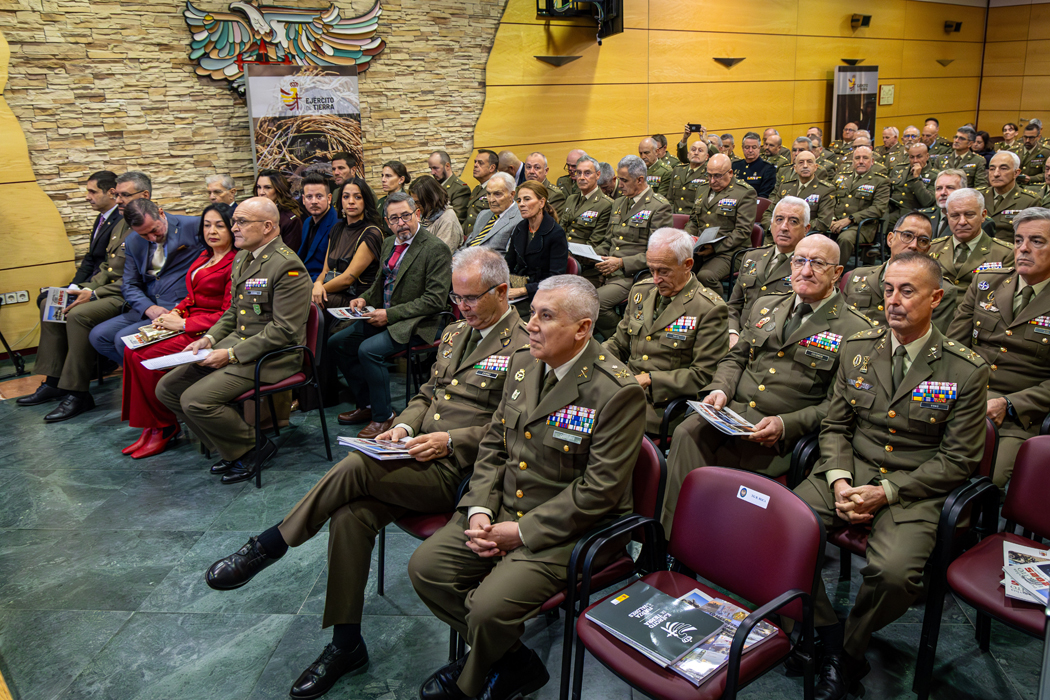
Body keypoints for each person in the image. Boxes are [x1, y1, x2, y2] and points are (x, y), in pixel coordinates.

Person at [201, 247, 529, 700]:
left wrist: (450, 441)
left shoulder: (527, 345)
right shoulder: (455, 332)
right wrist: (402, 425)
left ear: (500, 291)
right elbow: (429, 393)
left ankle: (271, 544)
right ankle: (345, 643)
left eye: (471, 298)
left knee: (356, 465)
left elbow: (510, 427)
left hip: (460, 472)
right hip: (416, 455)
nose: (462, 307)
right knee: (350, 515)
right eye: (456, 299)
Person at [408, 275, 645, 700]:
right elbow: (494, 445)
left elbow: (600, 490)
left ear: (583, 329)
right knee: (427, 570)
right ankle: (515, 661)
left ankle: (470, 683)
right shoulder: (525, 361)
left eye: (546, 316)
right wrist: (479, 506)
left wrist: (520, 532)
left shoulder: (616, 391)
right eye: (533, 312)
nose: (530, 324)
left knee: (486, 608)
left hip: (571, 527)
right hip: (502, 508)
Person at [793, 252, 988, 700]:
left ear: (936, 298)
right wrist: (840, 480)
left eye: (907, 290)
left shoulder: (965, 370)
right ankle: (823, 633)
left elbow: (957, 460)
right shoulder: (859, 348)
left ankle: (847, 650)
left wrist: (886, 491)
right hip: (848, 471)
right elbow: (836, 426)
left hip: (914, 488)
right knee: (778, 529)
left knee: (895, 574)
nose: (893, 301)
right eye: (888, 290)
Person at [662, 236, 876, 530]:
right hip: (732, 415)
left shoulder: (856, 330)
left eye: (818, 264)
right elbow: (734, 359)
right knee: (687, 433)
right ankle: (676, 538)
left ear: (837, 273)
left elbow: (838, 407)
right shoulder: (766, 305)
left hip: (780, 438)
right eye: (800, 261)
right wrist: (720, 389)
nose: (806, 270)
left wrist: (786, 424)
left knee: (731, 486)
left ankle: (725, 545)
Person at [155, 197, 311, 483]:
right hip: (237, 346)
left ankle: (253, 447)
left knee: (195, 400)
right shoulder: (243, 256)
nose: (233, 228)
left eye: (241, 222)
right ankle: (234, 448)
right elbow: (232, 312)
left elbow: (284, 331)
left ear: (267, 227)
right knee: (167, 388)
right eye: (235, 221)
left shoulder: (288, 267)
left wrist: (230, 354)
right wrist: (210, 338)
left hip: (274, 356)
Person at [17, 171, 147, 416]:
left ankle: (78, 393)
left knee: (77, 314)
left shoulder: (142, 224)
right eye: (118, 195)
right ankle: (54, 381)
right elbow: (106, 267)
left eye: (123, 195)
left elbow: (135, 278)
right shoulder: (120, 224)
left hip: (126, 295)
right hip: (106, 288)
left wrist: (93, 293)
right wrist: (82, 288)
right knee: (51, 303)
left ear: (144, 196)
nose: (119, 200)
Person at [330, 192, 453, 437]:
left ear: (417, 214)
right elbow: (380, 282)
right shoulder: (388, 242)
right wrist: (364, 298)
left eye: (406, 216)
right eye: (394, 218)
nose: (401, 223)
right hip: (387, 316)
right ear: (387, 222)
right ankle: (367, 405)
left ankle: (384, 416)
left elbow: (434, 300)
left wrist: (390, 315)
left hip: (419, 323)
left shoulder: (436, 248)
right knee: (338, 343)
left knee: (368, 350)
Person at [120, 203, 237, 459]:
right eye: (207, 225)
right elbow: (191, 298)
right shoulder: (205, 256)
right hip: (188, 322)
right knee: (131, 350)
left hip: (208, 331)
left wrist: (184, 324)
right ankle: (150, 427)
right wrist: (173, 313)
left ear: (232, 228)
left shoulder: (235, 261)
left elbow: (229, 314)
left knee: (143, 358)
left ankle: (164, 427)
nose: (212, 231)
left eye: (219, 225)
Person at [946, 207, 1050, 488]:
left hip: (1018, 414)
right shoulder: (985, 283)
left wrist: (1010, 404)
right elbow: (954, 345)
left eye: (1037, 241)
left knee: (986, 480)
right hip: (965, 395)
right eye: (1018, 240)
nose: (1023, 249)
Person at [603, 227, 729, 432]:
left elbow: (703, 375)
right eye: (651, 269)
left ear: (688, 265)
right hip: (626, 388)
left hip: (662, 405)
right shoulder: (641, 292)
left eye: (663, 271)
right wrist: (596, 358)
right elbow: (618, 343)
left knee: (607, 424)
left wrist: (651, 380)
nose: (655, 279)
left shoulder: (709, 308)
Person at [88, 197, 203, 372]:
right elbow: (129, 283)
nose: (152, 238)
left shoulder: (194, 226)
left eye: (155, 230)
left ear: (161, 213)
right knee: (99, 336)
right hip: (148, 306)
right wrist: (148, 308)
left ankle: (161, 381)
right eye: (144, 235)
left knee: (123, 340)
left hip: (180, 305)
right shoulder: (134, 240)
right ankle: (150, 375)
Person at [594, 155, 673, 338]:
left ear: (640, 180)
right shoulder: (619, 202)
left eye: (624, 180)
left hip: (633, 274)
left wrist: (621, 262)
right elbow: (608, 240)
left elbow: (658, 253)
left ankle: (623, 341)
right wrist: (593, 254)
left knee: (594, 303)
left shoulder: (658, 206)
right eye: (619, 179)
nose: (619, 185)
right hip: (606, 269)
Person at [843, 211, 958, 331]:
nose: (914, 245)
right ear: (890, 239)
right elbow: (842, 326)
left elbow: (930, 342)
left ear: (928, 249)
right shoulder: (858, 276)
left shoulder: (940, 290)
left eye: (923, 240)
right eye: (907, 236)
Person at [729, 197, 810, 345]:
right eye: (779, 219)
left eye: (793, 221)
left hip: (776, 345)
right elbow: (734, 305)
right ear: (771, 224)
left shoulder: (810, 267)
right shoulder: (752, 257)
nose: (784, 227)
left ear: (806, 229)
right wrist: (732, 333)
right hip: (739, 338)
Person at [685, 153, 759, 291]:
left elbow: (742, 231)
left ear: (730, 173)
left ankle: (719, 310)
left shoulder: (744, 193)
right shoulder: (702, 188)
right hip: (701, 249)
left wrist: (715, 248)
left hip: (730, 251)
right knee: (678, 270)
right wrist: (686, 240)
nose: (712, 180)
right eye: (709, 175)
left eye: (717, 176)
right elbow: (693, 221)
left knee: (706, 276)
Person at [311, 176, 383, 310]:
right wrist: (317, 285)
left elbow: (347, 279)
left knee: (306, 303)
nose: (351, 202)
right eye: (346, 197)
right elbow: (325, 271)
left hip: (357, 299)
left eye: (357, 197)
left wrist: (318, 290)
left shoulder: (372, 233)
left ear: (365, 201)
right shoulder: (336, 229)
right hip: (332, 292)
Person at [927, 188, 1016, 294]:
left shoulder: (1005, 253)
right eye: (955, 216)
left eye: (969, 215)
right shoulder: (932, 248)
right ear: (947, 217)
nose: (962, 222)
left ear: (983, 215)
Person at [504, 180, 567, 311]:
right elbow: (508, 263)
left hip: (541, 293)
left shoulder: (556, 233)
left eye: (527, 199)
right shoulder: (520, 228)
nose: (521, 204)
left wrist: (522, 291)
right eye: (519, 200)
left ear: (541, 203)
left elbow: (555, 278)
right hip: (517, 287)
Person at [829, 146, 890, 265]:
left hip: (863, 226)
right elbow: (829, 201)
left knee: (845, 239)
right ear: (853, 161)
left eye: (865, 158)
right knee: (815, 233)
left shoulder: (880, 181)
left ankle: (835, 273)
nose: (861, 161)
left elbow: (878, 209)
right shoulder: (841, 178)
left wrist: (850, 219)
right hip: (835, 222)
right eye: (857, 158)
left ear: (872, 162)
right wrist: (830, 219)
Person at [560, 156, 613, 287]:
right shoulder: (571, 199)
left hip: (586, 269)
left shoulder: (606, 204)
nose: (582, 177)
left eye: (587, 173)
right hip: (561, 262)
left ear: (598, 175)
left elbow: (594, 244)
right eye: (578, 173)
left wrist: (565, 256)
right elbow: (560, 230)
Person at [764, 148, 835, 233]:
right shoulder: (786, 187)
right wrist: (774, 227)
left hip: (806, 237)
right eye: (801, 162)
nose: (805, 165)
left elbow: (823, 223)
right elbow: (769, 214)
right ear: (795, 168)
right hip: (779, 233)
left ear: (815, 167)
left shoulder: (825, 190)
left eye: (809, 162)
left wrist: (793, 227)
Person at [980, 150, 1041, 241]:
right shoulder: (979, 196)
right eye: (992, 169)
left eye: (1003, 168)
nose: (996, 174)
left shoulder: (1030, 201)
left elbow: (1031, 238)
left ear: (1016, 173)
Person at [72, 170, 120, 286]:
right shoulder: (101, 218)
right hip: (91, 281)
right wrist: (74, 285)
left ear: (111, 193)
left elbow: (111, 264)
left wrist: (86, 289)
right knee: (45, 297)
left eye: (93, 192)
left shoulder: (121, 220)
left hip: (104, 284)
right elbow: (91, 257)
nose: (87, 197)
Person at [462, 172, 521, 253]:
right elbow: (469, 244)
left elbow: (508, 257)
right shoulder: (483, 215)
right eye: (489, 194)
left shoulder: (519, 219)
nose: (491, 200)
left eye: (497, 194)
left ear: (512, 194)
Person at [297, 173, 339, 280]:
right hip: (303, 277)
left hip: (323, 282)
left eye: (319, 196)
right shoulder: (307, 222)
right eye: (309, 197)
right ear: (303, 199)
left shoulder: (338, 224)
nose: (314, 201)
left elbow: (335, 270)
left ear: (329, 198)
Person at [409, 174, 464, 251]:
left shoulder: (448, 220)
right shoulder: (424, 214)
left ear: (431, 199)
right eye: (413, 202)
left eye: (418, 202)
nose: (415, 206)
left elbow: (441, 255)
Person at [254, 169, 303, 252]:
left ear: (279, 189)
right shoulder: (253, 213)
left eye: (267, 187)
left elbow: (289, 256)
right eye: (259, 187)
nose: (261, 192)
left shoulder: (290, 220)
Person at [888, 143, 935, 220]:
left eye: (919, 157)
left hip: (917, 215)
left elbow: (927, 202)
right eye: (912, 157)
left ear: (927, 156)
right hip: (893, 213)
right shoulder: (899, 169)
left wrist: (916, 178)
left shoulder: (934, 175)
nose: (915, 160)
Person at [666, 139, 709, 214]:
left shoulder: (708, 174)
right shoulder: (678, 170)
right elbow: (670, 198)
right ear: (688, 155)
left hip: (694, 218)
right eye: (693, 150)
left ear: (706, 157)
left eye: (700, 150)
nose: (696, 153)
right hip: (674, 216)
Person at [463, 150, 499, 238]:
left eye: (480, 163)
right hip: (469, 239)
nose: (475, 165)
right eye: (475, 162)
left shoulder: (498, 188)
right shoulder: (477, 189)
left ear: (492, 168)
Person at [428, 150, 472, 221]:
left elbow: (455, 219)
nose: (432, 172)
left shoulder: (460, 189)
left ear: (447, 166)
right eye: (431, 168)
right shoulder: (433, 187)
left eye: (436, 168)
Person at [732, 131, 777, 198]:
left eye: (754, 147)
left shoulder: (767, 168)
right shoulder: (734, 165)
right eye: (747, 147)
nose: (750, 150)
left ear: (759, 148)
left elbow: (764, 195)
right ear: (742, 148)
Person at [926, 168, 967, 238]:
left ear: (963, 191)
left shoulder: (975, 222)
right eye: (939, 188)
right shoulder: (925, 217)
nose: (943, 193)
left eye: (950, 187)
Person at [522, 152, 566, 216]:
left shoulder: (555, 195)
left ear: (546, 171)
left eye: (537, 167)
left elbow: (553, 223)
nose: (531, 171)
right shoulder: (519, 191)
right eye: (528, 167)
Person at [376, 160, 411, 237]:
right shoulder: (380, 202)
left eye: (388, 176)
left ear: (401, 179)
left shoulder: (408, 202)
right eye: (382, 175)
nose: (383, 180)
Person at [1019, 122, 1050, 187]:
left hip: (1034, 186)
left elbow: (1047, 173)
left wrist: (1031, 179)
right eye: (1025, 137)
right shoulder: (1013, 151)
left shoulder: (1046, 151)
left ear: (1038, 137)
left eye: (1031, 138)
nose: (1027, 140)